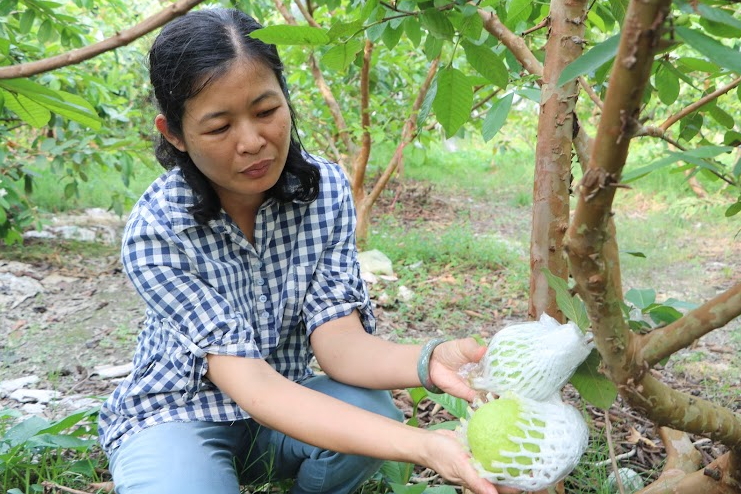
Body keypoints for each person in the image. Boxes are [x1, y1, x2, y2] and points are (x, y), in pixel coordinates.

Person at [98, 7, 517, 494]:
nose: (253, 142)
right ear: (175, 135)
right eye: (218, 128)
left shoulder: (325, 192)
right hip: (176, 416)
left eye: (266, 111)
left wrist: (431, 360)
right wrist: (422, 445)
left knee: (372, 409)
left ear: (286, 98)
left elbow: (341, 346)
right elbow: (253, 385)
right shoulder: (157, 231)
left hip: (280, 417)